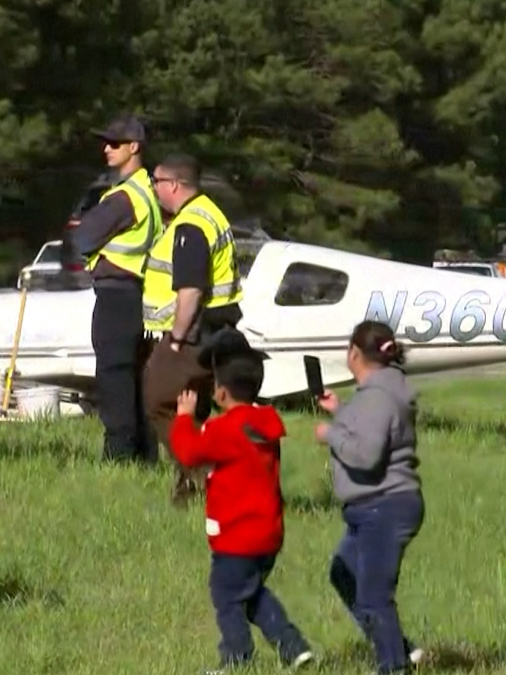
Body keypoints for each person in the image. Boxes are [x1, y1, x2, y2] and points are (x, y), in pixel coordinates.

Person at [168, 327, 315, 671]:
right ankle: (293, 647)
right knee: (250, 594)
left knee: (227, 597)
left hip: (236, 536)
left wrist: (183, 419)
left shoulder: (224, 430)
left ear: (220, 392)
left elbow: (189, 453)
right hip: (269, 534)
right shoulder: (266, 421)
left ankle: (236, 659)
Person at [313, 320, 427, 674]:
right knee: (343, 573)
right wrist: (341, 410)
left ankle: (393, 665)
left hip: (384, 506)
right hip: (372, 507)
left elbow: (367, 454)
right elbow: (373, 427)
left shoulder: (378, 396)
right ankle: (399, 648)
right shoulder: (383, 391)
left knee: (374, 596)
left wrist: (330, 434)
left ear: (354, 353)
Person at [143, 152, 244, 505]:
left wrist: (175, 339)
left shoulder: (190, 226)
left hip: (194, 332)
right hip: (219, 326)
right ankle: (189, 489)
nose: (153, 190)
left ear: (173, 184)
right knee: (194, 405)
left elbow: (190, 291)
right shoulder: (210, 212)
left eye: (156, 182)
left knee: (158, 400)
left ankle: (200, 473)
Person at [60, 116, 161, 463]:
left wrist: (89, 221)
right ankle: (144, 456)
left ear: (135, 147)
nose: (106, 148)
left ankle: (117, 455)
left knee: (114, 376)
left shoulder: (124, 197)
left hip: (117, 296)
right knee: (135, 378)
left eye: (114, 143)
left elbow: (83, 237)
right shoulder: (148, 192)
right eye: (105, 142)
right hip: (138, 295)